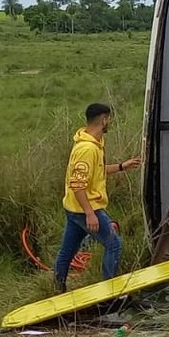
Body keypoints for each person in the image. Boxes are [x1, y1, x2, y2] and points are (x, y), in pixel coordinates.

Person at [54, 103, 142, 293]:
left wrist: (121, 166)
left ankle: (57, 289)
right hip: (85, 209)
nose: (109, 122)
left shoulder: (94, 144)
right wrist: (90, 214)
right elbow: (77, 184)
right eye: (108, 119)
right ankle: (109, 292)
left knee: (67, 252)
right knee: (114, 244)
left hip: (74, 209)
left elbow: (98, 171)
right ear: (103, 120)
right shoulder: (87, 149)